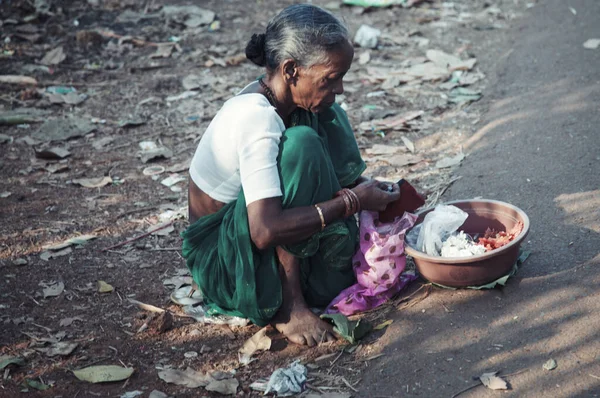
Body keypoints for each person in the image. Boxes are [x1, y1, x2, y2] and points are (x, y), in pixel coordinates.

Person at [183, 4, 400, 347]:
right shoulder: (255, 118)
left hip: (259, 242)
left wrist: (366, 193)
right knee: (302, 145)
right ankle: (290, 305)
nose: (340, 87)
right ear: (291, 71)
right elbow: (264, 230)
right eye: (330, 79)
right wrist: (353, 202)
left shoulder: (291, 99)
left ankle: (322, 265)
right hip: (228, 264)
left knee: (326, 112)